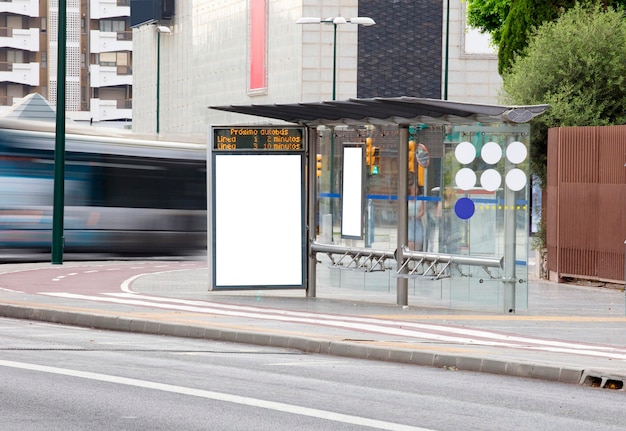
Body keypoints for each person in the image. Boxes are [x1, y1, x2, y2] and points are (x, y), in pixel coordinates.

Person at [408, 180, 424, 251]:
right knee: (410, 240)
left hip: (417, 222)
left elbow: (422, 211)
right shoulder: (407, 198)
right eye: (414, 189)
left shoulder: (420, 199)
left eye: (416, 190)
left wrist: (416, 216)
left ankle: (417, 254)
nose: (415, 191)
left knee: (418, 240)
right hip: (409, 222)